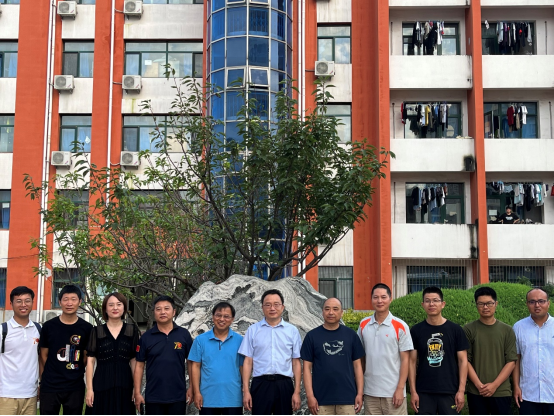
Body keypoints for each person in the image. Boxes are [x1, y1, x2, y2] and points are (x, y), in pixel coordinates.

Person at [239, 289, 302, 415]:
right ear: (262, 307)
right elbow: (248, 361)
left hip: (284, 384)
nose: (272, 308)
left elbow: (296, 362)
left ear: (283, 307)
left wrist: (297, 392)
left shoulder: (292, 331)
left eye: (276, 304)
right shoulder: (253, 330)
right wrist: (246, 391)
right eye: (268, 305)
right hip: (260, 384)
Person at [408, 287, 469, 415]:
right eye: (427, 301)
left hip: (449, 390)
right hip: (423, 391)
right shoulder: (416, 330)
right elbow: (411, 362)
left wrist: (461, 390)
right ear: (423, 304)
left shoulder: (455, 330)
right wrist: (413, 392)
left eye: (435, 300)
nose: (431, 304)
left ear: (443, 304)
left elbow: (463, 361)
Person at [302, 298, 365, 415]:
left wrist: (360, 394)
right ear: (322, 312)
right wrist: (310, 396)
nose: (331, 312)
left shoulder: (351, 335)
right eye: (327, 309)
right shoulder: (312, 336)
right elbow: (306, 368)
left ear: (341, 313)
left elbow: (357, 366)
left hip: (348, 399)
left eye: (335, 309)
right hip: (320, 401)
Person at [359, 284, 413, 415]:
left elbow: (405, 360)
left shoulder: (400, 326)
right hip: (370, 392)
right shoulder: (363, 324)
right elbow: (361, 359)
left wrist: (400, 388)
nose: (379, 301)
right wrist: (360, 390)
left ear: (390, 299)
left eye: (383, 297)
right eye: (376, 297)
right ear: (371, 299)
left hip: (393, 393)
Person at [134, 296, 193, 416]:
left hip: (178, 396)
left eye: (166, 308)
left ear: (174, 312)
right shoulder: (146, 337)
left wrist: (192, 387)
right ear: (154, 312)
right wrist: (137, 392)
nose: (162, 312)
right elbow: (139, 366)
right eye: (158, 309)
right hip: (153, 397)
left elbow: (191, 363)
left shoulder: (184, 335)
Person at [39, 284, 93, 415]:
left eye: (73, 299)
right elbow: (43, 356)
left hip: (75, 386)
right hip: (51, 385)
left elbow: (85, 358)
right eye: (65, 299)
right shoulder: (48, 326)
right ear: (59, 302)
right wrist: (45, 379)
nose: (69, 303)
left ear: (80, 302)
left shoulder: (87, 328)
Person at [463, 287, 517, 415]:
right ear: (476, 305)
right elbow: (465, 360)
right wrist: (479, 385)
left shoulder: (507, 330)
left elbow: (511, 361)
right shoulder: (468, 329)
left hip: (501, 391)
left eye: (489, 303)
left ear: (496, 304)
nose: (485, 307)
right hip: (476, 391)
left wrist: (494, 385)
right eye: (481, 304)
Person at [85, 292, 140, 415]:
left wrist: (136, 388)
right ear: (105, 309)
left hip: (125, 385)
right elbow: (90, 361)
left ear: (124, 308)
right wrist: (89, 390)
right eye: (111, 305)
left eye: (119, 304)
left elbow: (134, 361)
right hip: (101, 384)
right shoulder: (96, 331)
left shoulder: (132, 330)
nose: (115, 308)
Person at [189, 302, 244, 416]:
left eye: (226, 316)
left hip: (233, 398)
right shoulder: (200, 340)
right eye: (218, 315)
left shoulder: (240, 340)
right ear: (212, 317)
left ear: (232, 319)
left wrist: (246, 391)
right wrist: (196, 392)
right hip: (207, 398)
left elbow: (243, 367)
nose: (222, 319)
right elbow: (195, 366)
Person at [0, 287, 41, 415]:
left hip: (31, 394)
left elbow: (41, 359)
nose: (23, 305)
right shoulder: (3, 330)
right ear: (11, 304)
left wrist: (41, 384)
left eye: (27, 301)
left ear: (32, 303)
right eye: (19, 301)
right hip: (5, 395)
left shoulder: (38, 329)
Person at [513, 288, 554, 415]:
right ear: (527, 304)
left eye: (541, 301)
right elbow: (516, 359)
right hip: (528, 394)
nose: (537, 305)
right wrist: (516, 386)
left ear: (548, 303)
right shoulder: (518, 327)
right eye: (532, 302)